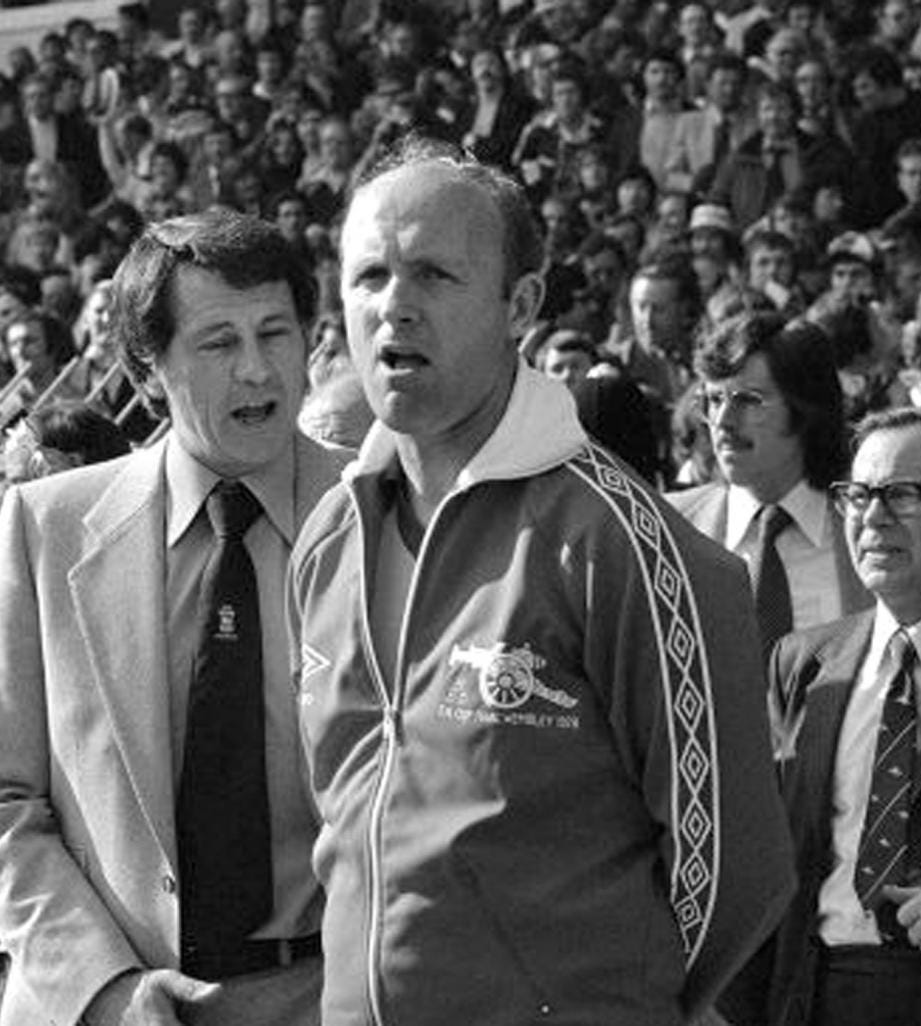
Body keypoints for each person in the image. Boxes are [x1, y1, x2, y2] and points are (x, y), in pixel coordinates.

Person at [289, 136, 793, 1026]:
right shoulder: (327, 539)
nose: (394, 306)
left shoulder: (622, 545)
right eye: (369, 277)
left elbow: (734, 874)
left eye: (434, 275)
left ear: (520, 304)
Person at [0, 209, 348, 1026]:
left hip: (331, 995)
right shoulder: (50, 529)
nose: (257, 370)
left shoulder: (386, 516)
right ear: (145, 369)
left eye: (275, 334)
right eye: (219, 343)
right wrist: (102, 988)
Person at [727, 407, 921, 1026]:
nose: (872, 517)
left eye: (902, 495)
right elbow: (765, 853)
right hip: (817, 992)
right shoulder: (804, 662)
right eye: (857, 496)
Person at [670, 314, 872, 656]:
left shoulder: (868, 528)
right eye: (714, 400)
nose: (723, 421)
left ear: (807, 408)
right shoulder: (671, 526)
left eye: (749, 400)